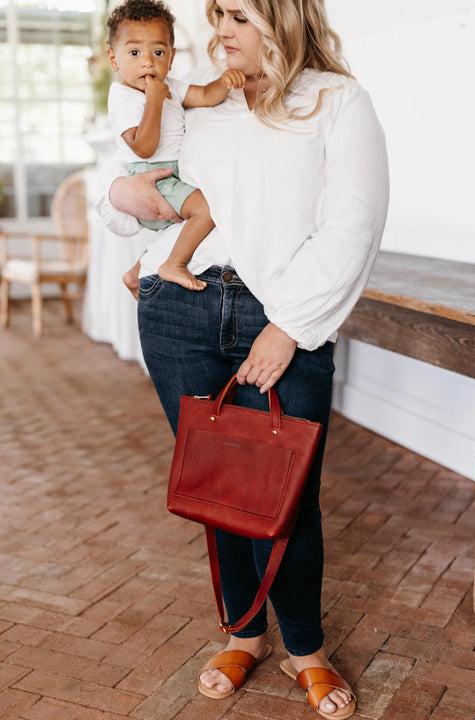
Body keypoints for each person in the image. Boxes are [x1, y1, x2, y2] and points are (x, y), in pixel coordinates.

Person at [97, 0, 389, 716]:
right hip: (179, 313)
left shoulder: (334, 100)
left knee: (287, 497)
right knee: (218, 493)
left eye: (238, 14)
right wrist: (119, 199)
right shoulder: (200, 99)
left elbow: (354, 221)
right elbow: (134, 178)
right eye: (217, 13)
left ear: (284, 16)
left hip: (279, 317)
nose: (219, 29)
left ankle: (306, 648)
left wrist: (289, 325)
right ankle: (243, 632)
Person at [106, 0, 246, 294]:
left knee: (177, 230)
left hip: (171, 176)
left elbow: (206, 96)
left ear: (170, 58)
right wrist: (155, 100)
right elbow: (143, 147)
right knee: (206, 212)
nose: (147, 62)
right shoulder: (125, 97)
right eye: (134, 53)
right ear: (113, 59)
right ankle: (174, 265)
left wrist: (224, 82)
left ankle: (136, 273)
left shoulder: (171, 85)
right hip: (151, 177)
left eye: (158, 52)